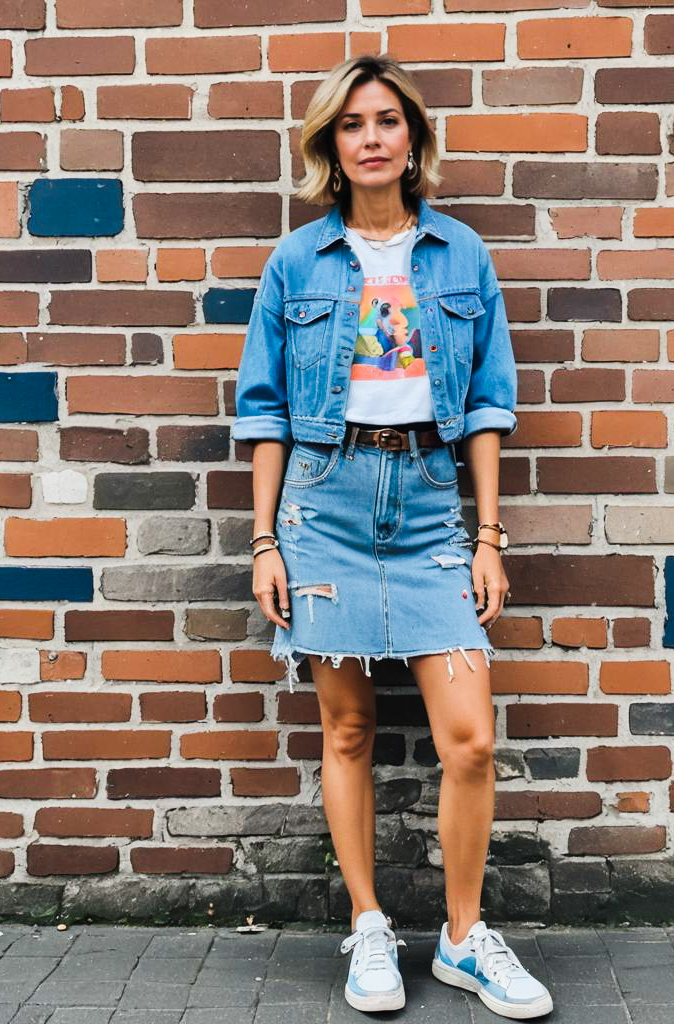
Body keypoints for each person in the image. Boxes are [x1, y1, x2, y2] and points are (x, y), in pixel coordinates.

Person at [232, 55, 553, 1020]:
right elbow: (265, 413)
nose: (370, 137)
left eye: (387, 121)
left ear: (413, 138)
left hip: (425, 508)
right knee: (348, 729)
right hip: (323, 506)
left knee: (470, 742)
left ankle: (461, 939)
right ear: (332, 146)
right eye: (351, 124)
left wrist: (486, 535)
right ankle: (369, 924)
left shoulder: (461, 256)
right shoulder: (298, 261)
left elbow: (489, 407)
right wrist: (263, 541)